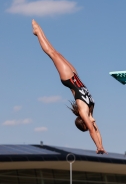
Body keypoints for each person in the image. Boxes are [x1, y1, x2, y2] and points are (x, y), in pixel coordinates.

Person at [32, 19, 107, 154]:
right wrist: (101, 145)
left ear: (84, 123)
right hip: (75, 76)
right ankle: (38, 30)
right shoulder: (90, 111)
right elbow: (96, 130)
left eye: (88, 125)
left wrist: (97, 146)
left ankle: (37, 32)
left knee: (53, 53)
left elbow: (92, 130)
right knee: (57, 53)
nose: (94, 125)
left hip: (69, 79)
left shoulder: (84, 112)